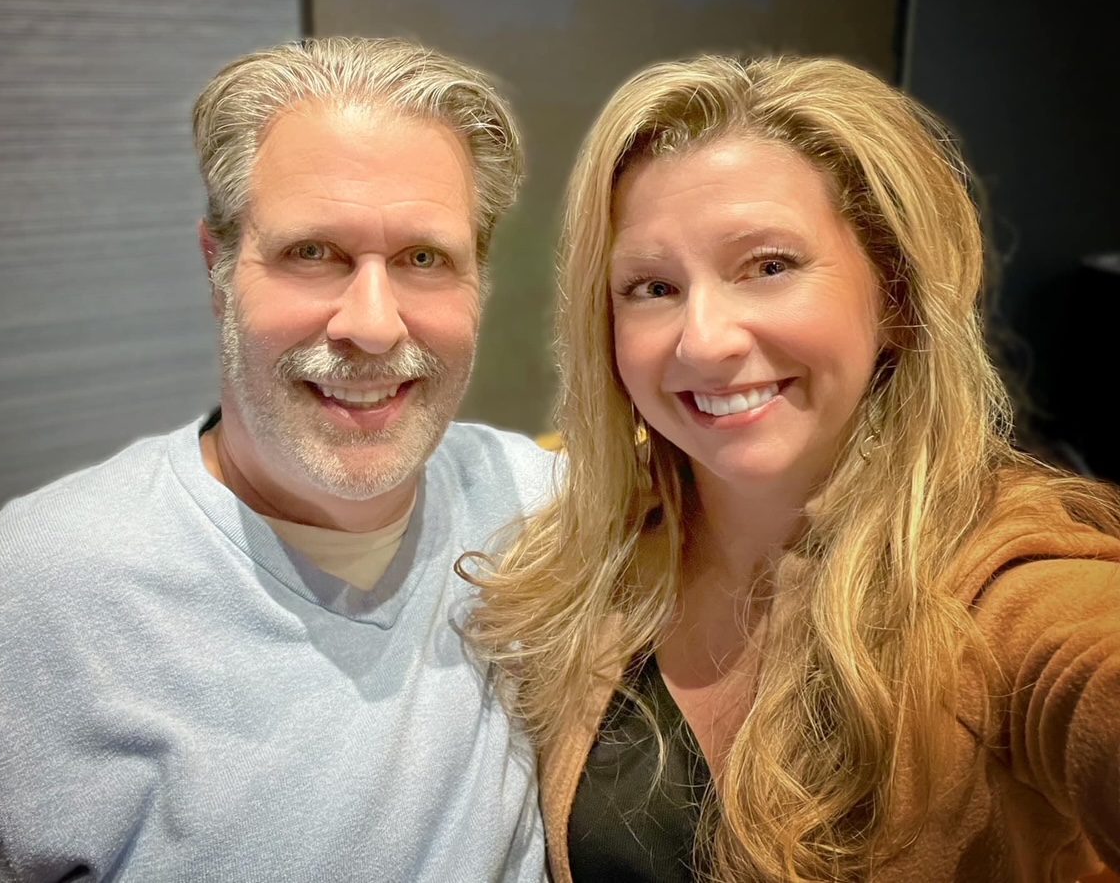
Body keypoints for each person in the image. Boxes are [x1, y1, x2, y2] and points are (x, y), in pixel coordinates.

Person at [0, 37, 553, 882]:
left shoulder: (544, 512)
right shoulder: (7, 629)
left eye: (424, 259)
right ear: (218, 267)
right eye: (312, 253)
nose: (372, 325)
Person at [464, 54, 1120, 882]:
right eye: (653, 287)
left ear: (895, 295)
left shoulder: (1005, 582)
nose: (705, 340)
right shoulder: (591, 559)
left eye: (769, 267)